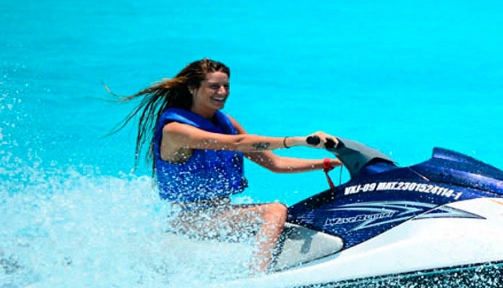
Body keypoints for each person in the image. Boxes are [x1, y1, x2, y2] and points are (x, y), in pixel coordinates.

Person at [111, 58, 340, 272]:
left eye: (226, 86)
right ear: (192, 87)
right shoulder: (175, 130)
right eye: (214, 86)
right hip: (192, 220)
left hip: (220, 214)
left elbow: (276, 163)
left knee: (294, 219)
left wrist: (329, 162)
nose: (222, 92)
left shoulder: (225, 123)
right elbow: (237, 143)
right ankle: (256, 279)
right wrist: (299, 141)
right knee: (275, 210)